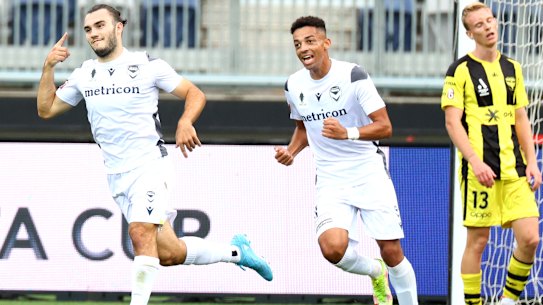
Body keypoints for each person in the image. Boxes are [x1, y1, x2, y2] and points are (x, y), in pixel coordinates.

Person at [36, 4, 272, 305]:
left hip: (149, 165)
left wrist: (185, 121)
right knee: (170, 254)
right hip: (116, 175)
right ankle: (238, 252)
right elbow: (46, 109)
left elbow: (194, 93)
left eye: (100, 25)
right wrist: (48, 68)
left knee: (139, 234)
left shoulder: (147, 65)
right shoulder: (85, 74)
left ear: (118, 28)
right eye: (88, 29)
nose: (93, 33)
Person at [275, 16, 418, 305]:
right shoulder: (293, 85)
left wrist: (348, 133)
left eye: (310, 41)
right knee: (332, 249)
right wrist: (292, 150)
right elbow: (304, 127)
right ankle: (376, 273)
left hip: (367, 170)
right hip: (330, 177)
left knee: (391, 250)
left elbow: (385, 126)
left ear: (326, 43)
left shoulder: (354, 76)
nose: (303, 48)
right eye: (297, 44)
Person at [441, 3, 541, 305]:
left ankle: (508, 301)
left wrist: (533, 161)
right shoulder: (459, 71)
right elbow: (451, 121)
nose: (488, 26)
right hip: (479, 171)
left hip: (515, 170)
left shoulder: (514, 68)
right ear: (470, 33)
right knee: (478, 241)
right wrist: (474, 160)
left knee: (530, 238)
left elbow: (521, 117)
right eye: (479, 24)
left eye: (490, 20)